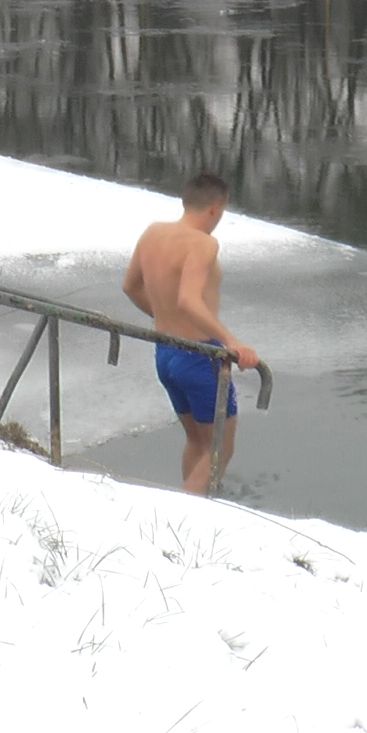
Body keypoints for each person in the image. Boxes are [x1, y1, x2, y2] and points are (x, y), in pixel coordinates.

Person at [122, 173, 260, 494]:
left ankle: (191, 504)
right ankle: (186, 521)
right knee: (219, 448)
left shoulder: (153, 233)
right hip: (199, 355)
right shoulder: (203, 243)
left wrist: (163, 315)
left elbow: (130, 286)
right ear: (214, 208)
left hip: (166, 352)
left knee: (197, 441)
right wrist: (231, 342)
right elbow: (189, 300)